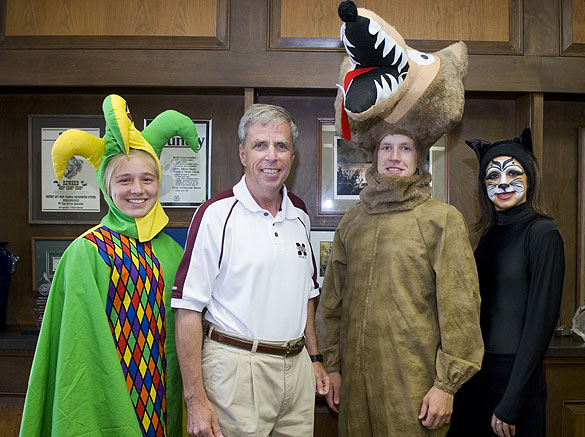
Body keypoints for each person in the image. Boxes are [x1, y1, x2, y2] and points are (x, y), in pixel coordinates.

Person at [20, 94, 199, 437]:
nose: (138, 189)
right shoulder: (86, 252)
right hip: (107, 397)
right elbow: (78, 350)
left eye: (147, 179)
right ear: (107, 186)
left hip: (163, 399)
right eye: (125, 180)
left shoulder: (172, 251)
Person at [171, 103, 330, 437]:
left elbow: (307, 296)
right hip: (237, 368)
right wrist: (195, 399)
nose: (271, 156)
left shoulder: (299, 214)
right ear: (243, 153)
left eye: (281, 146)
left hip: (296, 371)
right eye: (260, 145)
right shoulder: (215, 214)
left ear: (292, 155)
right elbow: (187, 310)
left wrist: (314, 359)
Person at [320, 132, 484, 436]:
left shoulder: (441, 219)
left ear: (418, 157)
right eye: (386, 147)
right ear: (375, 155)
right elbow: (331, 303)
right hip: (355, 390)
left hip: (412, 389)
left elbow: (460, 308)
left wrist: (446, 385)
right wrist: (332, 366)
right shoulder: (353, 221)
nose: (394, 157)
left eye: (405, 147)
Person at [448, 127, 565, 437]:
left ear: (530, 179)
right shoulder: (487, 236)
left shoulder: (543, 234)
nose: (501, 182)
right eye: (491, 176)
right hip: (475, 378)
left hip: (515, 383)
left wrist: (512, 400)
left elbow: (540, 324)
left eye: (512, 172)